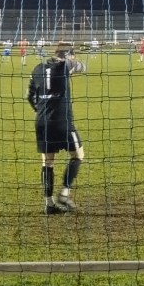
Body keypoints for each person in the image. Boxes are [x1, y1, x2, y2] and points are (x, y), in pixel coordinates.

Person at [27, 41, 86, 215]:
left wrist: (42, 110)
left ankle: (49, 204)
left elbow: (30, 96)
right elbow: (83, 67)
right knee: (78, 155)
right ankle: (64, 194)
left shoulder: (37, 69)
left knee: (47, 162)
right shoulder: (66, 65)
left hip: (42, 122)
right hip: (62, 120)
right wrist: (73, 61)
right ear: (67, 55)